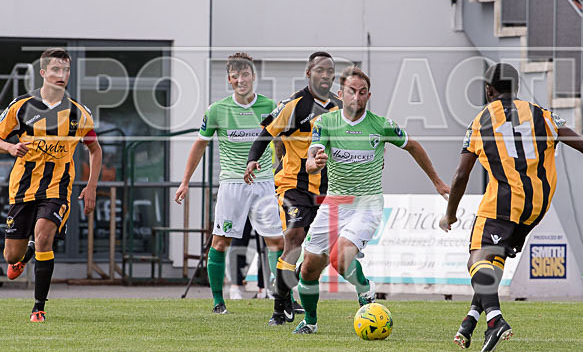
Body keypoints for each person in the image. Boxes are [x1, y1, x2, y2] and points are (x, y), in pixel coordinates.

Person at [439, 63, 583, 352]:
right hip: (536, 207)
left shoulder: (480, 121)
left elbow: (461, 175)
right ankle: (470, 321)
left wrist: (450, 213)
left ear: (488, 90)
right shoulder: (543, 115)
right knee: (494, 261)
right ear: (516, 88)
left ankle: (495, 320)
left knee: (477, 259)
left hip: (502, 205)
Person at [292, 67, 450, 335]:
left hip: (367, 204)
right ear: (341, 94)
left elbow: (413, 145)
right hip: (335, 204)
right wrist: (313, 164)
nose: (357, 97)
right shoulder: (325, 123)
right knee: (308, 269)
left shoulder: (381, 125)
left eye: (363, 92)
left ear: (369, 96)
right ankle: (310, 322)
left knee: (340, 257)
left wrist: (436, 181)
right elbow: (312, 158)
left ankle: (364, 288)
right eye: (352, 91)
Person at [244, 52, 373, 326]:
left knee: (324, 253)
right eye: (319, 71)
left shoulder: (340, 108)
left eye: (329, 71)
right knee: (293, 238)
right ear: (308, 73)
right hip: (294, 185)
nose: (325, 76)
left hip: (330, 189)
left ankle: (310, 288)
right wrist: (253, 159)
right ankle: (280, 308)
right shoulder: (294, 105)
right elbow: (266, 133)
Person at [0, 48, 101, 322]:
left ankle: (38, 307)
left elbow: (95, 150)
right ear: (43, 73)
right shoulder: (22, 106)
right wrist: (11, 147)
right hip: (23, 188)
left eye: (66, 70)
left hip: (58, 188)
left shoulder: (78, 113)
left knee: (43, 235)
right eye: (56, 70)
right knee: (9, 254)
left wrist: (91, 186)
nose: (62, 75)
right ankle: (23, 256)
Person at [174, 53, 284, 314]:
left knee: (276, 242)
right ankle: (218, 301)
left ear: (253, 77)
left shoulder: (271, 107)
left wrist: (281, 174)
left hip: (265, 183)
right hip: (232, 185)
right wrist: (185, 181)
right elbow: (199, 145)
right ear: (229, 80)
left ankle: (280, 295)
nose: (241, 80)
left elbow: (281, 143)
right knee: (220, 242)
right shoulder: (217, 110)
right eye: (236, 76)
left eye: (245, 74)